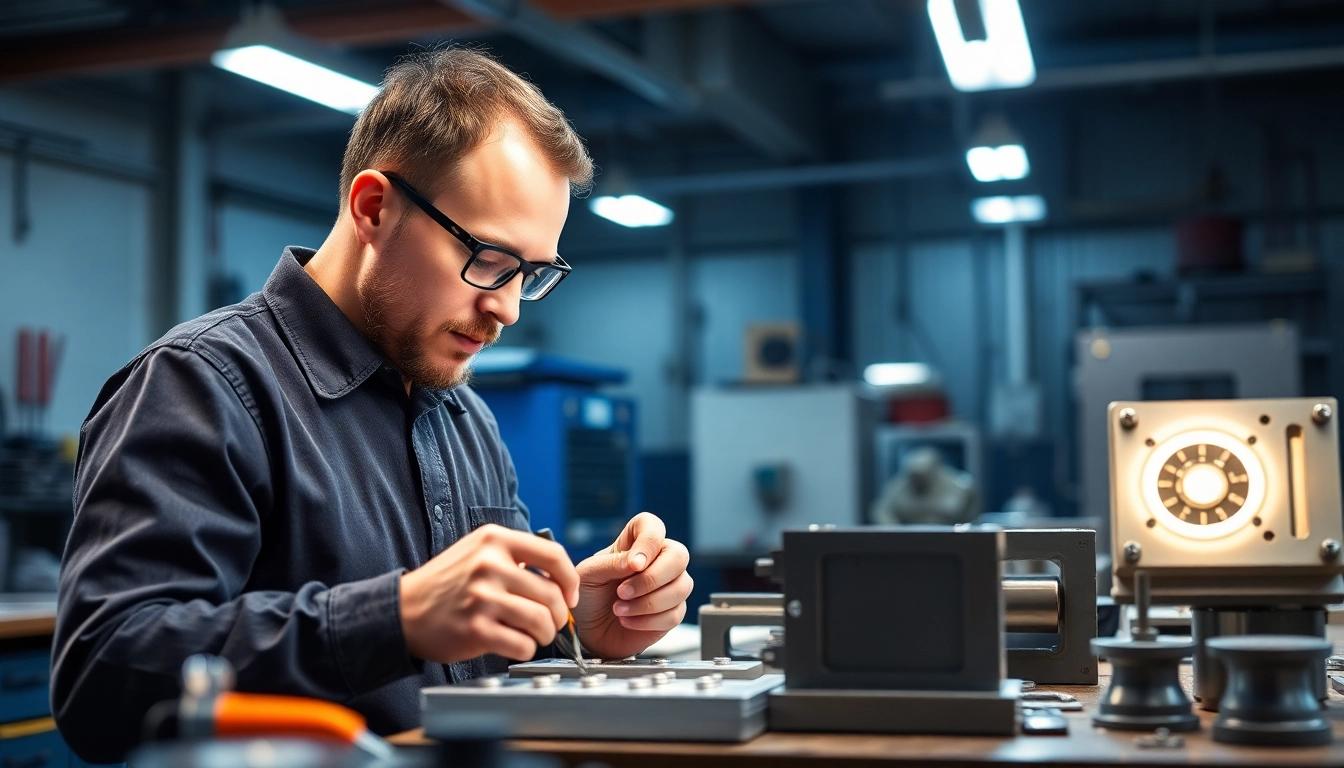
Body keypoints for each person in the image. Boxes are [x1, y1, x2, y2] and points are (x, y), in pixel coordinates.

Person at [51, 47, 692, 763]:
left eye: (532, 275)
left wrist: (575, 625)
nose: (508, 308)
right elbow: (101, 676)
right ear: (373, 208)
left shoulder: (463, 416)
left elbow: (474, 653)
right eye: (488, 259)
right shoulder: (201, 386)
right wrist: (391, 619)